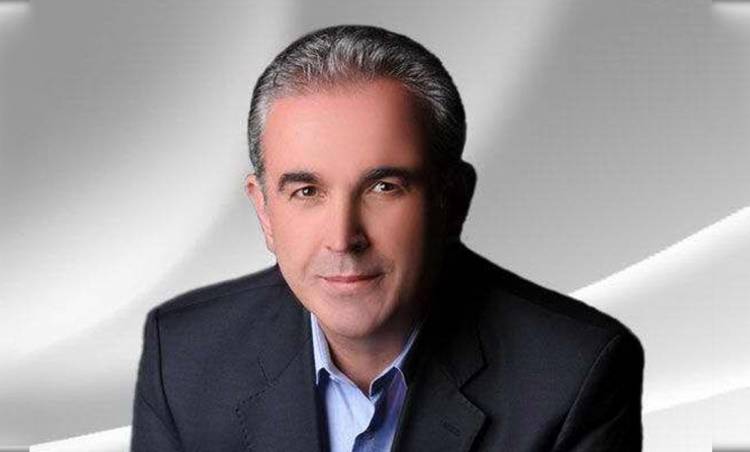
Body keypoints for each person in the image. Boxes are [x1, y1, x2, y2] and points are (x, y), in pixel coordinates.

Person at [131, 25, 644, 452]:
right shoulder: (183, 356)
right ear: (264, 210)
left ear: (452, 200)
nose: (343, 238)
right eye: (307, 191)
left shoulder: (573, 376)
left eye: (384, 187)